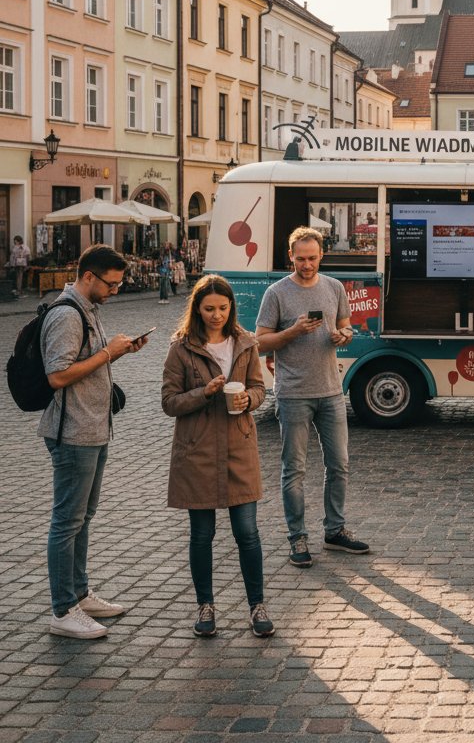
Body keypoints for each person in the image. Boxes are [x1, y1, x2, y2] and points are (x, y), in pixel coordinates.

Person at [39, 244, 149, 639]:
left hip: (94, 429)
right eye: (113, 283)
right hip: (72, 433)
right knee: (66, 521)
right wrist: (107, 352)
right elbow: (58, 376)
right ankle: (62, 609)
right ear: (89, 277)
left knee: (82, 518)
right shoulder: (67, 315)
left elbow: (86, 365)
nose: (117, 289)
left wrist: (120, 352)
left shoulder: (89, 310)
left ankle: (80, 594)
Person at [162, 275, 273, 638]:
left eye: (222, 309)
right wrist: (203, 393)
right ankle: (205, 606)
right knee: (201, 535)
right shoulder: (181, 348)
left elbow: (259, 388)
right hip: (198, 451)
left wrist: (249, 400)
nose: (216, 315)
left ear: (231, 308)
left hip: (239, 448)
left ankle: (257, 606)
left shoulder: (244, 343)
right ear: (196, 308)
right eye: (209, 309)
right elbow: (169, 403)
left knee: (248, 533)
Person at [255, 227, 369, 567]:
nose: (307, 264)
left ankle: (335, 530)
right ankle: (297, 537)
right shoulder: (276, 293)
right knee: (295, 469)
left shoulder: (334, 287)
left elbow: (347, 324)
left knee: (340, 465)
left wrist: (344, 335)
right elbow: (260, 341)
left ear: (322, 255)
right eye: (301, 258)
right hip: (293, 394)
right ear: (291, 256)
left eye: (312, 258)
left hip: (331, 390)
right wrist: (291, 332)